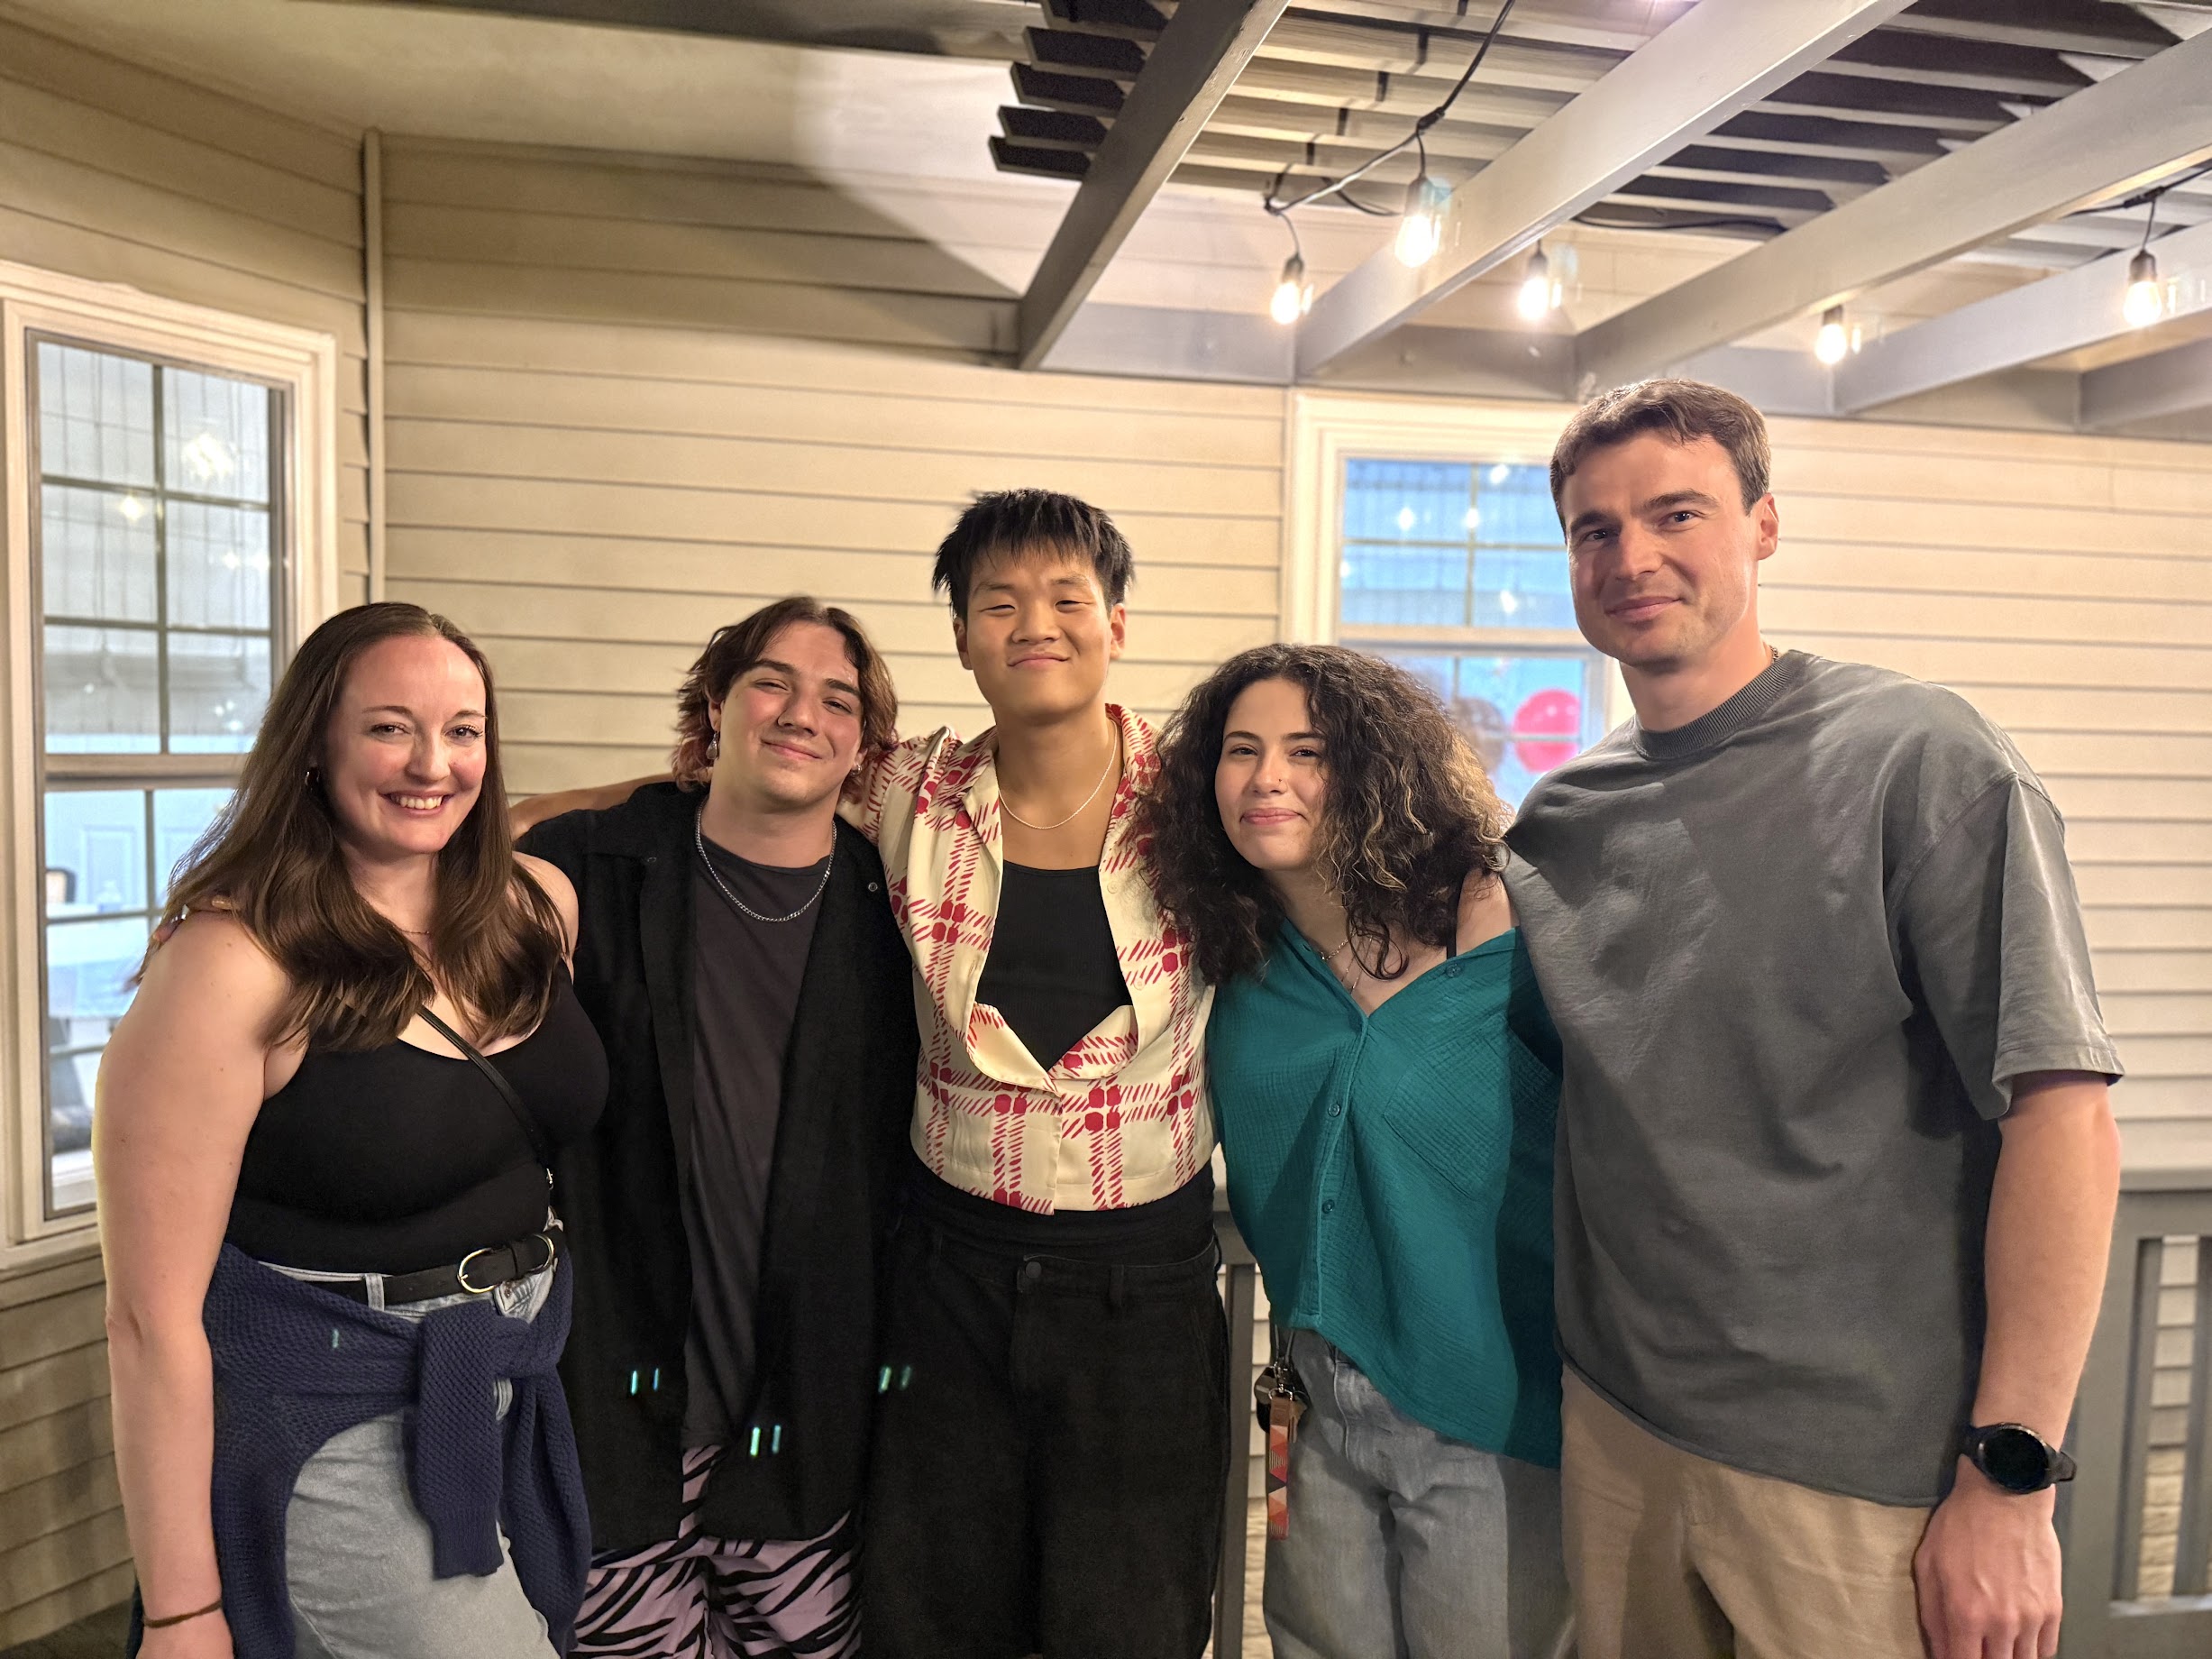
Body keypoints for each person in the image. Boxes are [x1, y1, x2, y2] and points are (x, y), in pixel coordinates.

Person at [519, 491, 1227, 1659]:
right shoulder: (913, 791)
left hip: (1142, 1288)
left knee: (1130, 1620)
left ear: (1115, 624)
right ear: (962, 638)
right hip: (947, 1277)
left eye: (1066, 597)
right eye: (998, 602)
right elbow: (760, 774)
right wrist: (489, 819)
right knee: (931, 1614)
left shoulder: (1202, 800)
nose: (1033, 624)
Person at [1505, 379, 2124, 1659]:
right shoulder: (1559, 823)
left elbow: (2062, 1122)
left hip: (1866, 1479)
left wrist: (2011, 1479)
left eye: (1676, 513)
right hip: (1617, 1435)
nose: (1631, 558)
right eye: (1592, 530)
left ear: (1764, 524)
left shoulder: (1918, 759)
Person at [97, 601, 606, 1659]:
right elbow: (150, 1320)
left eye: (462, 730)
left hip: (513, 1382)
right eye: (389, 727)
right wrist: (183, 1614)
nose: (433, 763)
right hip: (333, 1413)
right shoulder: (232, 966)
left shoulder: (531, 909)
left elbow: (535, 814)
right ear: (314, 747)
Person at [1138, 643, 1571, 1659]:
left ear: (1373, 769)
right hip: (1305, 1408)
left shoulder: (1502, 924)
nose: (1268, 778)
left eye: (1307, 751)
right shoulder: (1233, 954)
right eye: (1241, 750)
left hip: (1487, 1407)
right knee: (1308, 1641)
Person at [517, 598, 919, 1657]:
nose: (801, 713)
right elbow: (446, 849)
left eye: (837, 700)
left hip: (801, 1429)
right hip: (618, 1419)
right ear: (715, 705)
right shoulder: (594, 863)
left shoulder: (897, 911)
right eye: (771, 682)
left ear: (864, 748)